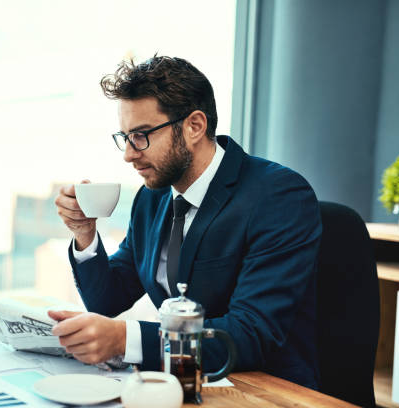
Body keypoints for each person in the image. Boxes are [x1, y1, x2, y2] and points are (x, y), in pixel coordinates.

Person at [51, 56, 322, 389]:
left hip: (261, 388)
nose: (128, 154)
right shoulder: (152, 197)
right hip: (180, 382)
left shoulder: (279, 196)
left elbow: (252, 333)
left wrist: (126, 339)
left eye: (141, 135)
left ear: (194, 126)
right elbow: (108, 300)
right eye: (125, 137)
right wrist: (85, 235)